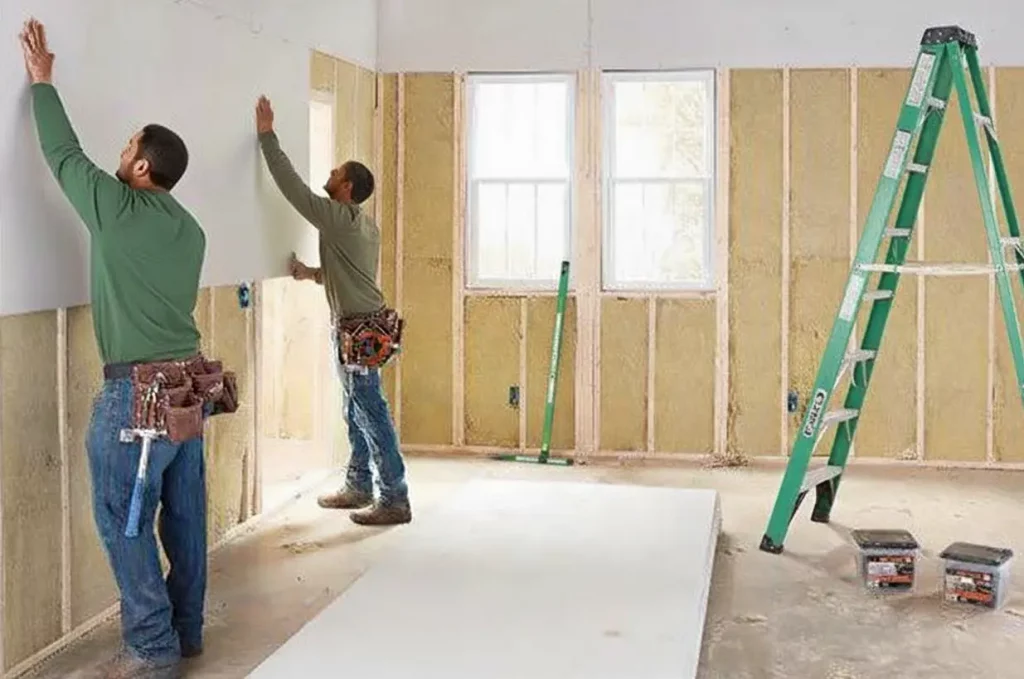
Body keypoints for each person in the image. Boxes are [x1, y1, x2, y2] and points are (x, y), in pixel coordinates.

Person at [21, 18, 207, 678]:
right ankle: (185, 632)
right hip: (191, 388)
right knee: (182, 516)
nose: (117, 151)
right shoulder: (190, 230)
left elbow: (64, 156)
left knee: (123, 517)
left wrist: (43, 84)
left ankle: (152, 648)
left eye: (127, 146)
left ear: (140, 166)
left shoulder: (115, 208)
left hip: (140, 397)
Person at [255, 95, 411, 526]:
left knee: (369, 409)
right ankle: (359, 484)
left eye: (335, 172)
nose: (329, 174)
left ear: (346, 189)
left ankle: (394, 496)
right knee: (354, 406)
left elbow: (293, 190)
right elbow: (350, 273)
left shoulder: (338, 217)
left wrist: (268, 137)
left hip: (359, 330)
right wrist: (310, 274)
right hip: (360, 325)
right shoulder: (359, 224)